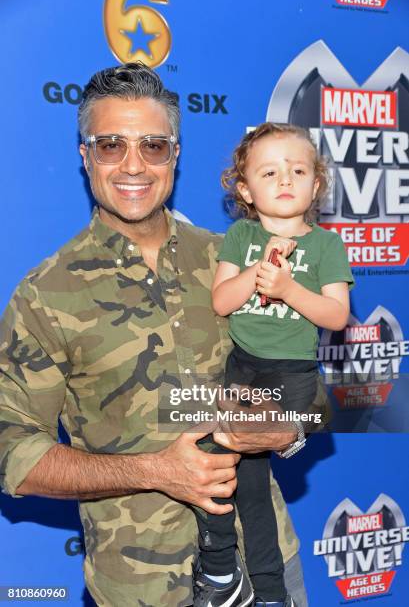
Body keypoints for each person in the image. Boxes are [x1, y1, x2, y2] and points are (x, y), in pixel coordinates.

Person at [0, 65, 308, 606]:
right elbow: (11, 452)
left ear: (176, 153)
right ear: (85, 155)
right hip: (140, 590)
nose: (133, 165)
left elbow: (295, 383)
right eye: (111, 145)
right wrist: (154, 471)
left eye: (154, 145)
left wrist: (286, 429)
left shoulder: (233, 259)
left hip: (267, 565)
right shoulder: (46, 294)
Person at [191, 123, 354, 607]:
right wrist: (255, 271)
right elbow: (223, 302)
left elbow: (337, 315)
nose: (285, 179)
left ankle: (252, 580)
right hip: (242, 369)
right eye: (269, 171)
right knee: (238, 477)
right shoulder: (241, 236)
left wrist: (287, 289)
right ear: (245, 189)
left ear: (316, 184)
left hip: (289, 374)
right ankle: (241, 577)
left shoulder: (326, 246)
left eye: (298, 170)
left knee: (231, 453)